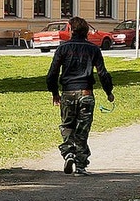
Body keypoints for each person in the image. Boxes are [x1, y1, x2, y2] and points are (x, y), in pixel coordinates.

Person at [45, 16, 115, 175]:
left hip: (68, 93)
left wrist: (55, 92)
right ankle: (81, 165)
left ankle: (68, 153)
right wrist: (109, 92)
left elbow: (52, 74)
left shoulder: (62, 49)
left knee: (67, 125)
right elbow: (103, 73)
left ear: (70, 30)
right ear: (87, 32)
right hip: (86, 93)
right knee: (82, 129)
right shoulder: (93, 49)